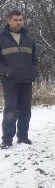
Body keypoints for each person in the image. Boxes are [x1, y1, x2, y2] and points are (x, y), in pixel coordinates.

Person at [0, 10, 38, 149]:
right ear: (9, 21)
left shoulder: (29, 37)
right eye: (15, 20)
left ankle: (23, 137)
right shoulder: (2, 37)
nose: (19, 22)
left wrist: (33, 71)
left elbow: (34, 58)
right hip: (10, 80)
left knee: (25, 110)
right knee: (11, 109)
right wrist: (5, 72)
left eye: (21, 20)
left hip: (26, 79)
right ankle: (7, 140)